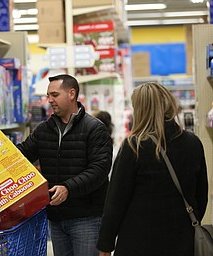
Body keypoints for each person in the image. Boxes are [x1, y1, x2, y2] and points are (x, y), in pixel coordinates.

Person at [97, 82, 208, 256]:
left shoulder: (134, 146)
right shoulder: (193, 143)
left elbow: (116, 201)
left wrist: (106, 243)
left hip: (139, 241)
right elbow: (201, 195)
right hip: (183, 239)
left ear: (140, 110)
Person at [17, 74, 113, 256]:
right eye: (48, 95)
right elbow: (20, 155)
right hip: (56, 217)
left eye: (54, 94)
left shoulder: (94, 129)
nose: (50, 100)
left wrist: (68, 188)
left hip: (86, 218)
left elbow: (99, 170)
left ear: (71, 94)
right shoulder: (44, 130)